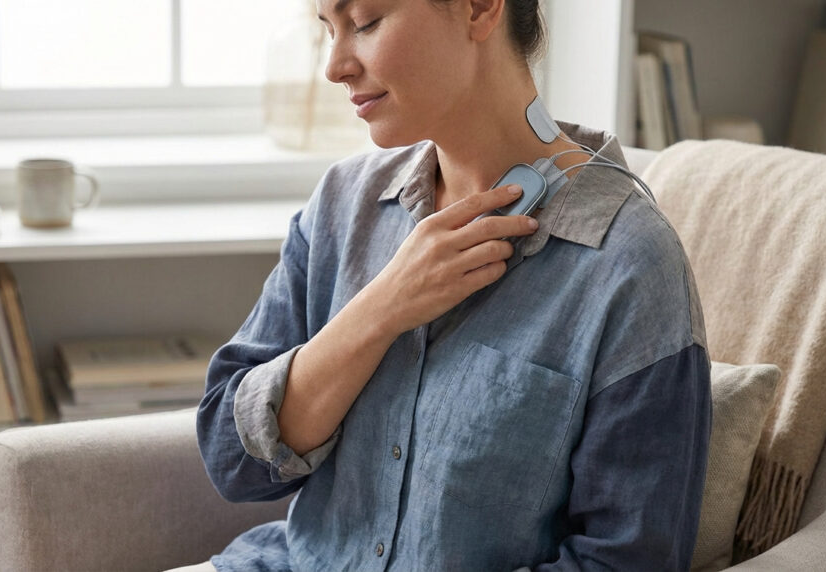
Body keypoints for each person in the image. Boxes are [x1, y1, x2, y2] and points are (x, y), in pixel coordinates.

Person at [176, 0, 712, 570]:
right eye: (327, 31)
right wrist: (381, 309)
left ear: (479, 9)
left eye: (364, 23)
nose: (334, 67)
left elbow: (628, 562)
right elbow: (231, 460)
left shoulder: (630, 266)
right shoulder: (342, 203)